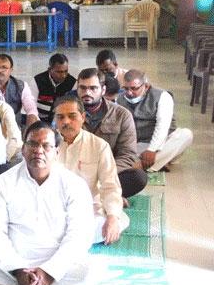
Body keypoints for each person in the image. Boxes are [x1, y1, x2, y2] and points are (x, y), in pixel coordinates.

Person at [0, 121, 94, 285]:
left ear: (57, 152)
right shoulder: (3, 183)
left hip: (56, 259)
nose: (38, 150)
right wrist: (19, 270)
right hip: (14, 261)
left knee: (90, 270)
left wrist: (49, 273)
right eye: (32, 144)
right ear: (23, 149)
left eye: (46, 146)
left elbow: (78, 235)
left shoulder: (74, 185)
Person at [53, 96, 128, 245]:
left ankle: (67, 241)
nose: (66, 121)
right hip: (53, 211)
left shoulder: (99, 146)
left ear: (83, 117)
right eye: (60, 117)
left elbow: (110, 186)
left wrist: (112, 218)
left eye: (72, 116)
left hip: (88, 212)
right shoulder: (47, 144)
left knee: (118, 220)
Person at [77, 68, 147, 198]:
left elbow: (128, 155)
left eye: (93, 88)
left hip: (108, 172)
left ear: (103, 90)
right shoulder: (66, 113)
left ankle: (98, 195)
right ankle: (106, 196)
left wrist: (101, 173)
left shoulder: (121, 115)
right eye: (83, 88)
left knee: (138, 178)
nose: (87, 92)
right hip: (76, 173)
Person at [120, 69, 194, 172]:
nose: (129, 93)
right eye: (126, 88)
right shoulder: (120, 99)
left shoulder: (163, 97)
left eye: (134, 88)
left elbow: (162, 127)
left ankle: (140, 166)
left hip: (163, 143)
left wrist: (152, 149)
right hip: (139, 145)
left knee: (186, 135)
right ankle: (157, 163)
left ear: (146, 86)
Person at [0, 53, 39, 127]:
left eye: (4, 67)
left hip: (15, 128)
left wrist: (28, 133)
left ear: (11, 70)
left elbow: (31, 110)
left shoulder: (22, 86)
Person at [32, 53, 76, 123]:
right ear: (50, 69)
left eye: (66, 71)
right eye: (59, 72)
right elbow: (32, 106)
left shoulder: (72, 82)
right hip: (39, 119)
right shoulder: (37, 80)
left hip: (62, 120)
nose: (64, 75)